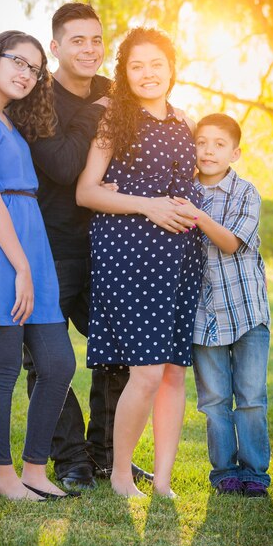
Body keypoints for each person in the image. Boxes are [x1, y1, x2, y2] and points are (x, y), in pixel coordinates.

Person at [25, 3, 152, 490]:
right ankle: (71, 459)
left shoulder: (114, 91)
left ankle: (106, 455)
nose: (90, 49)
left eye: (96, 39)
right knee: (48, 360)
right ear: (55, 47)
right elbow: (59, 165)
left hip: (110, 246)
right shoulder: (36, 99)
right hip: (51, 247)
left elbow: (146, 136)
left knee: (120, 352)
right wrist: (96, 114)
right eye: (77, 40)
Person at [0, 30, 77, 502]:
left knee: (59, 363)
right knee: (2, 369)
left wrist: (31, 264)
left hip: (32, 250)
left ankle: (35, 470)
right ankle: (5, 479)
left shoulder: (12, 122)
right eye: (18, 62)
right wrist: (20, 266)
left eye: (34, 68)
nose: (26, 73)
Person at [76, 27, 202, 497]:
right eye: (137, 66)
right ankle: (120, 474)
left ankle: (164, 481)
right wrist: (147, 206)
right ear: (124, 73)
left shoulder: (183, 121)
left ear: (172, 68)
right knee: (146, 371)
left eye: (157, 64)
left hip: (181, 255)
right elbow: (86, 191)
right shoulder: (115, 119)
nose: (148, 74)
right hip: (130, 252)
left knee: (172, 371)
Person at [180, 113, 271, 497]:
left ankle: (255, 474)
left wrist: (196, 214)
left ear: (234, 152)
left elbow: (231, 243)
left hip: (246, 312)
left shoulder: (247, 193)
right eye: (201, 142)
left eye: (219, 144)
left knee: (250, 397)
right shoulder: (182, 191)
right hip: (203, 315)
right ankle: (224, 473)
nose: (208, 151)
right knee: (214, 399)